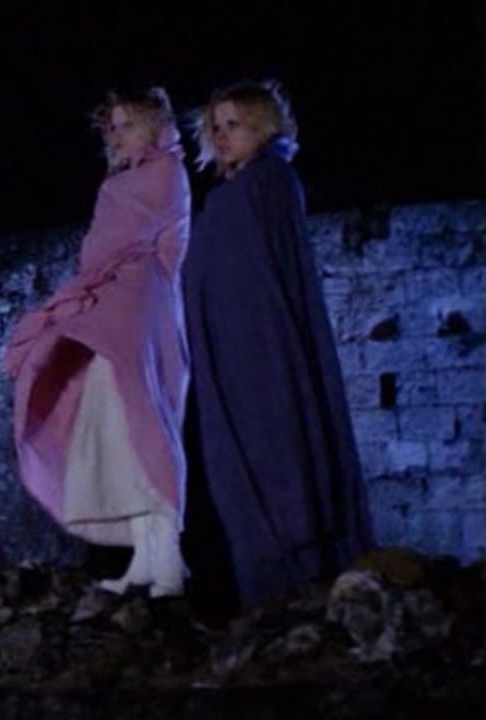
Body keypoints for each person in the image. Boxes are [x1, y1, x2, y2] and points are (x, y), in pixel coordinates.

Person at [182, 80, 374, 613]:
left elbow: (265, 280)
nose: (222, 136)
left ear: (262, 126)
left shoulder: (268, 183)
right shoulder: (233, 193)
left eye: (234, 124)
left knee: (276, 454)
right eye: (215, 127)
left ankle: (293, 583)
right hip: (228, 352)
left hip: (260, 354)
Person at [4, 88, 192, 598]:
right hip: (117, 303)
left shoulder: (163, 173)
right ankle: (145, 556)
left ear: (152, 125)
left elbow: (116, 242)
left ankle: (167, 559)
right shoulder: (129, 180)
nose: (117, 135)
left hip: (135, 305)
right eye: (112, 126)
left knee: (141, 420)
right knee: (114, 424)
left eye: (128, 124)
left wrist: (93, 277)